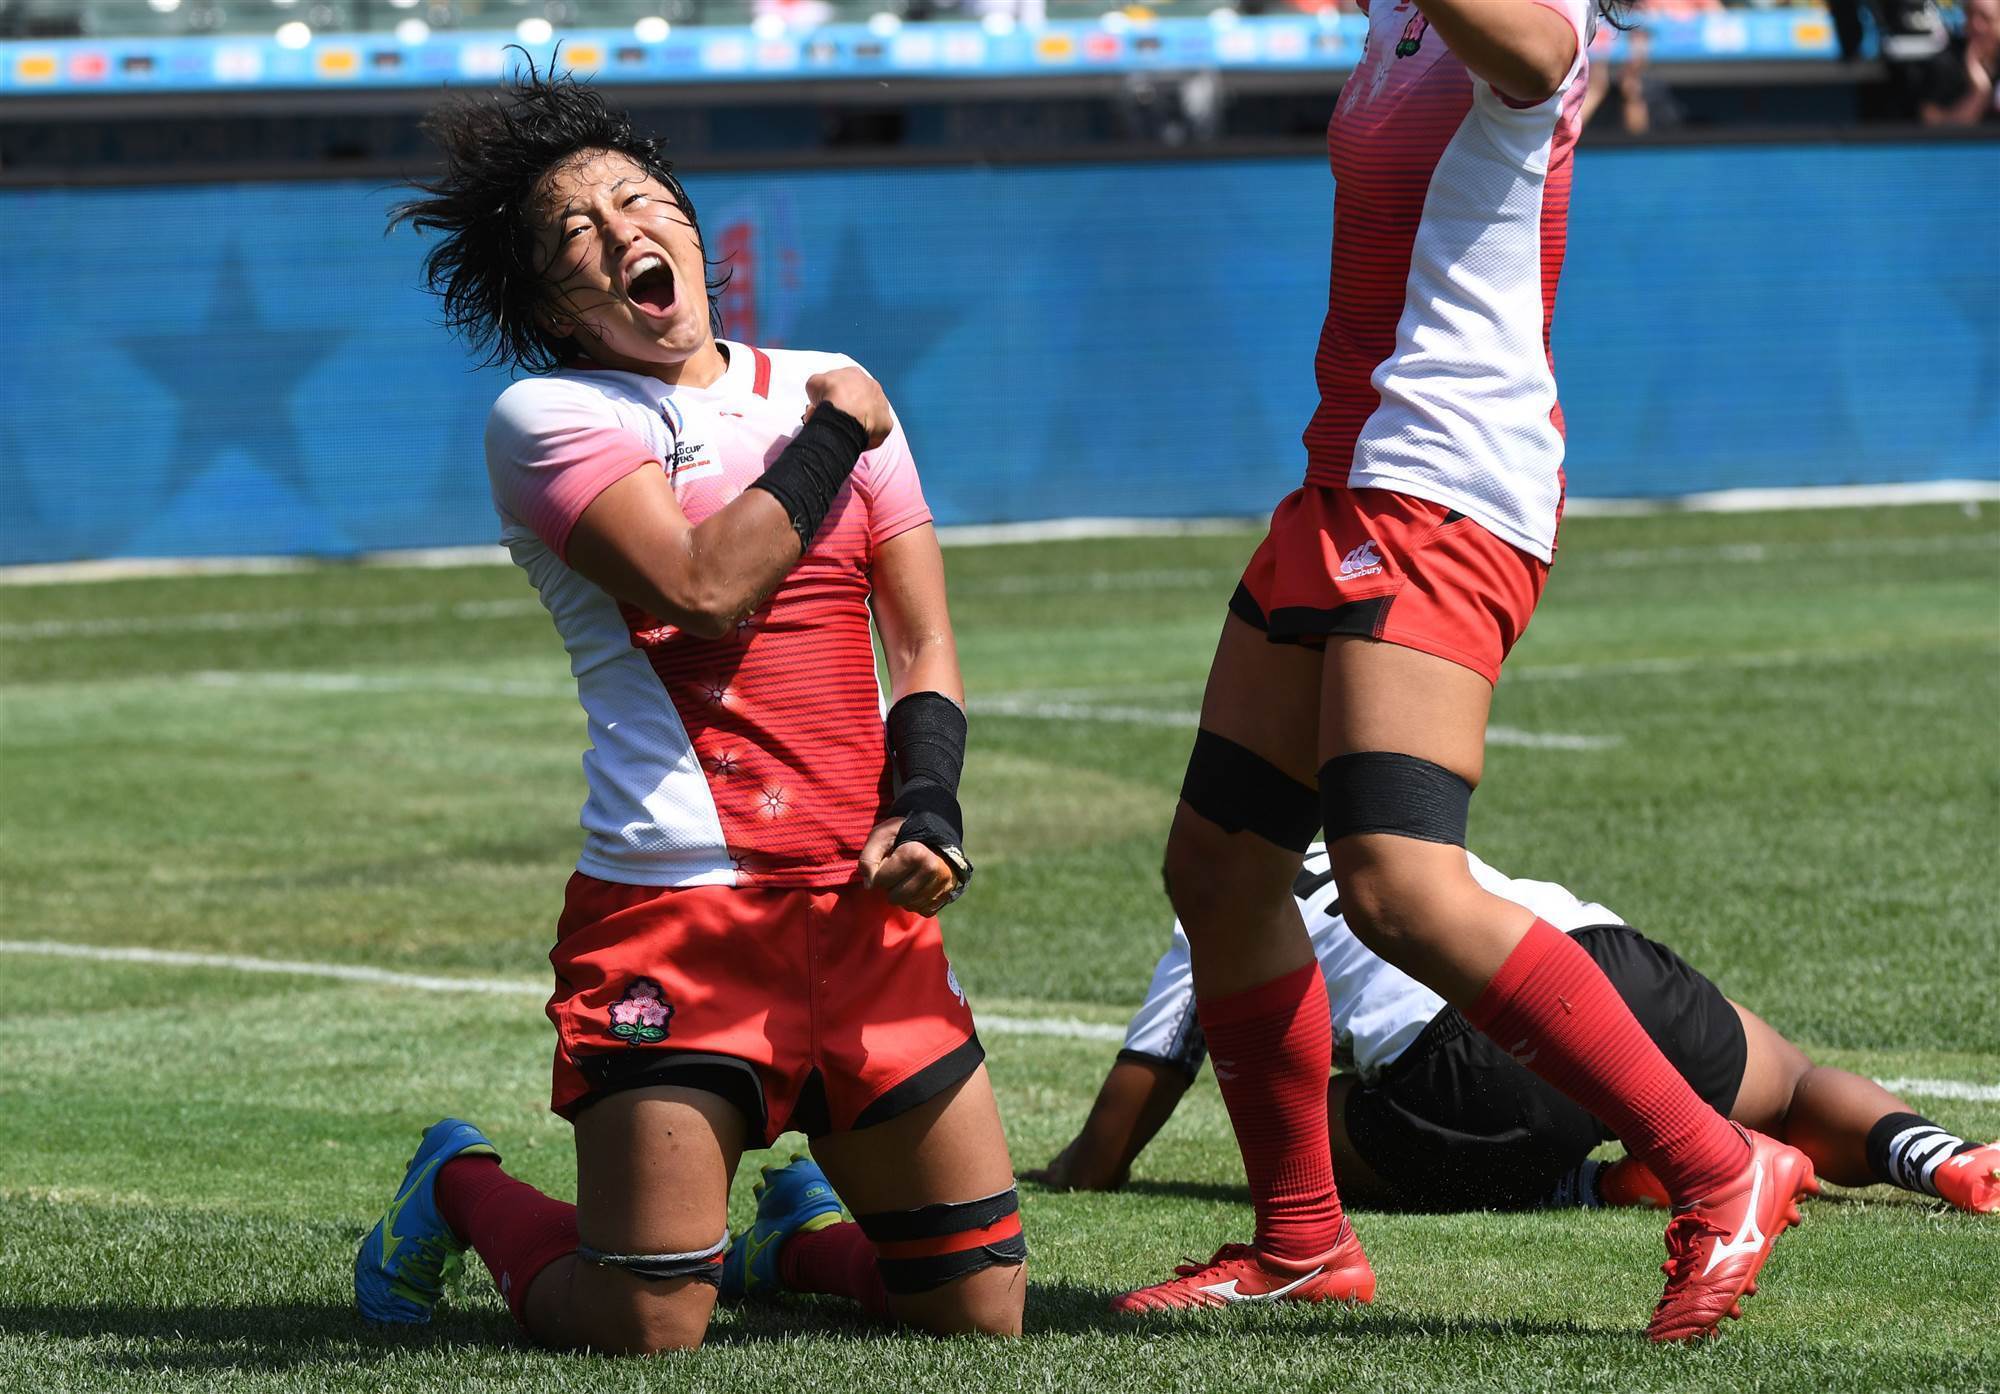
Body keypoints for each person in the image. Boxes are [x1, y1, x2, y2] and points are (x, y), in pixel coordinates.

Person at [1116, 0, 1820, 1342]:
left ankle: (1723, 1166)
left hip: (1446, 481)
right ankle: (1301, 1243)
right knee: (1218, 868)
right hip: (1346, 474)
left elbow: (1541, 55)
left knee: (1400, 887)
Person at [351, 66, 1025, 1354]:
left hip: (859, 907)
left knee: (978, 1312)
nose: (621, 235)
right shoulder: (551, 416)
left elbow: (924, 637)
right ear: (549, 298)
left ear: (690, 228)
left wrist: (925, 803)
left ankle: (793, 1235)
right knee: (648, 1319)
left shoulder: (824, 378)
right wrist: (839, 435)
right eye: (575, 235)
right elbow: (703, 587)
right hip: (676, 910)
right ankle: (455, 1183)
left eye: (639, 201)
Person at [1030, 847, 2000, 1217]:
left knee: (1288, 1114)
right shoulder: (1382, 825)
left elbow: (1140, 1087)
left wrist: (1075, 1168)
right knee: (1786, 1083)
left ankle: (1589, 1180)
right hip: (1595, 957)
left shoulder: (1218, 889)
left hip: (1472, 1056)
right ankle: (1944, 1157)